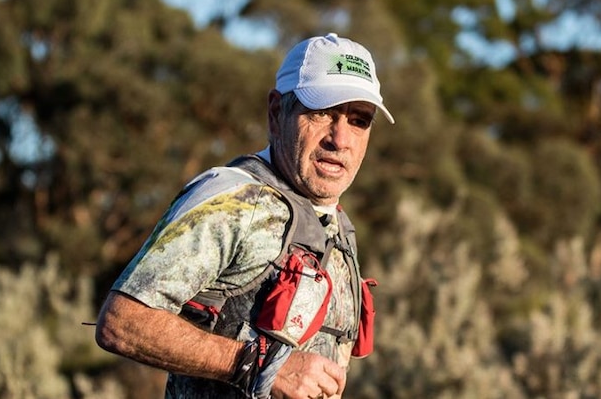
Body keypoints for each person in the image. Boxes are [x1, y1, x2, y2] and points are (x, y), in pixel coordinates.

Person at [95, 33, 395, 399]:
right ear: (275, 112)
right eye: (322, 113)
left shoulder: (335, 223)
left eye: (359, 120)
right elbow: (122, 322)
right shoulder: (234, 199)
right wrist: (259, 365)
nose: (340, 138)